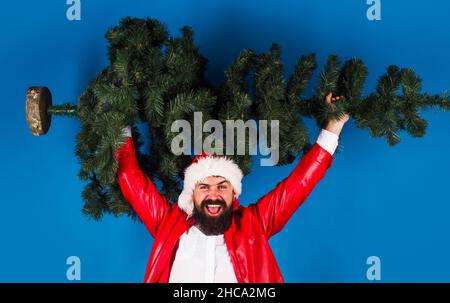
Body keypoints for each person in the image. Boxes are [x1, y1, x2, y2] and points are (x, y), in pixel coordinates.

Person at [114, 93, 349, 283]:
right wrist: (117, 119)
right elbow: (129, 177)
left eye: (222, 186)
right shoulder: (168, 224)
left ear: (234, 192)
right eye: (204, 186)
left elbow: (298, 186)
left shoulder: (254, 224)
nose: (213, 195)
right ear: (191, 193)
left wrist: (332, 129)